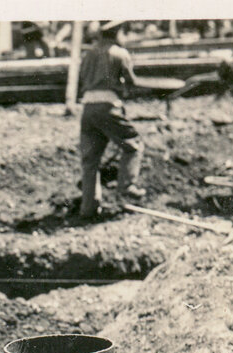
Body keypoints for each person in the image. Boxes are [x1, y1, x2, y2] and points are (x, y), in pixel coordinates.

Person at [77, 20, 146, 218]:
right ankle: (127, 186)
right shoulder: (119, 53)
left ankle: (88, 208)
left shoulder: (88, 54)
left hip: (88, 108)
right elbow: (131, 81)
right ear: (117, 32)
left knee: (90, 160)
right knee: (133, 144)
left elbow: (83, 80)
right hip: (107, 107)